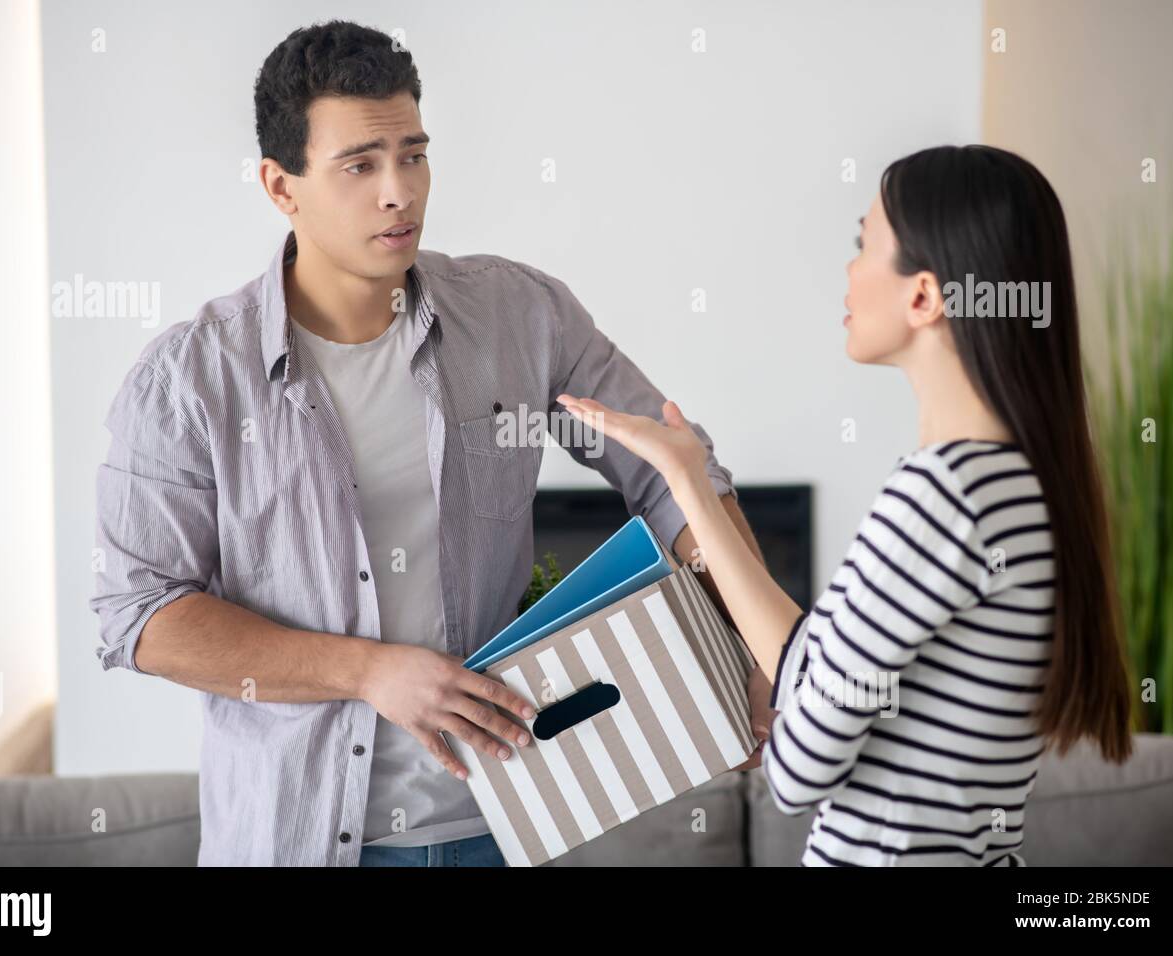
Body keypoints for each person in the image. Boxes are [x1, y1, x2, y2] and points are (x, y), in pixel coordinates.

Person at [88, 19, 771, 867]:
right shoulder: (187, 382)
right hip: (299, 841)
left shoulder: (522, 316)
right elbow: (139, 614)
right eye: (360, 165)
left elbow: (674, 469)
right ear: (280, 186)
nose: (398, 193)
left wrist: (751, 640)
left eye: (413, 155)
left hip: (506, 826)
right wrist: (368, 670)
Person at [560, 144, 1134, 866]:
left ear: (923, 296)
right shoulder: (1020, 482)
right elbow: (816, 663)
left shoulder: (939, 497)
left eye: (865, 244)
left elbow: (797, 769)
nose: (849, 269)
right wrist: (690, 484)